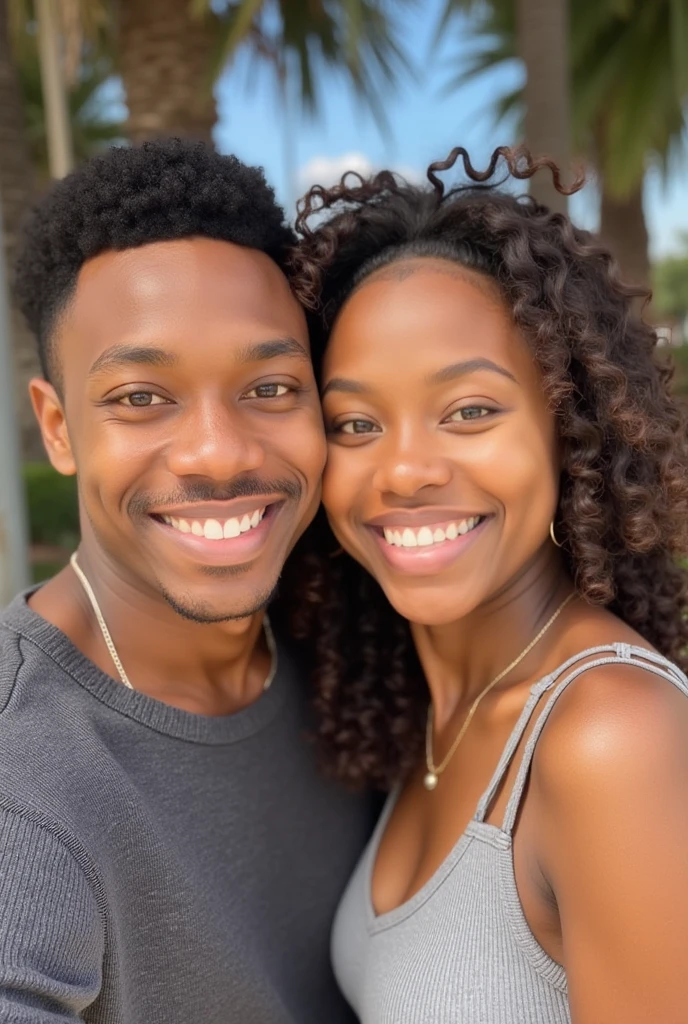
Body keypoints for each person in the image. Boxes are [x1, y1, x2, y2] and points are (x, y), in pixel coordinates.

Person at [286, 146, 688, 1023]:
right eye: (354, 422)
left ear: (568, 428)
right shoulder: (421, 707)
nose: (404, 471)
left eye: (469, 410)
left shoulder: (612, 735)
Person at [0, 138, 374, 1024]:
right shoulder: (25, 784)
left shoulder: (351, 645)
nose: (218, 452)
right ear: (58, 428)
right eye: (140, 397)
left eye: (272, 387)